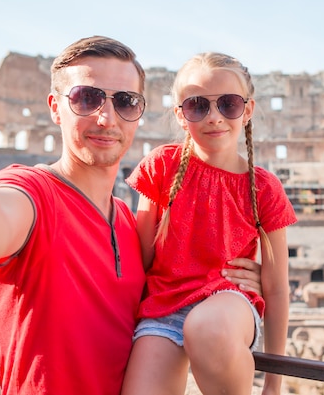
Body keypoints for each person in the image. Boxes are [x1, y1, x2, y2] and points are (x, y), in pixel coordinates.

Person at [0, 36, 262, 395]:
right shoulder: (32, 194)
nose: (106, 117)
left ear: (138, 113)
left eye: (126, 101)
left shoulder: (129, 225)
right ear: (55, 107)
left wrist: (239, 285)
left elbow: (180, 284)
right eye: (87, 98)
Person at [121, 52, 298, 395]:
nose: (214, 117)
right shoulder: (161, 166)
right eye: (198, 105)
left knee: (207, 329)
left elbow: (276, 289)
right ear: (181, 115)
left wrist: (274, 384)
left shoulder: (264, 188)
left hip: (228, 307)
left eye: (228, 104)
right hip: (163, 310)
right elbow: (139, 262)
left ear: (247, 110)